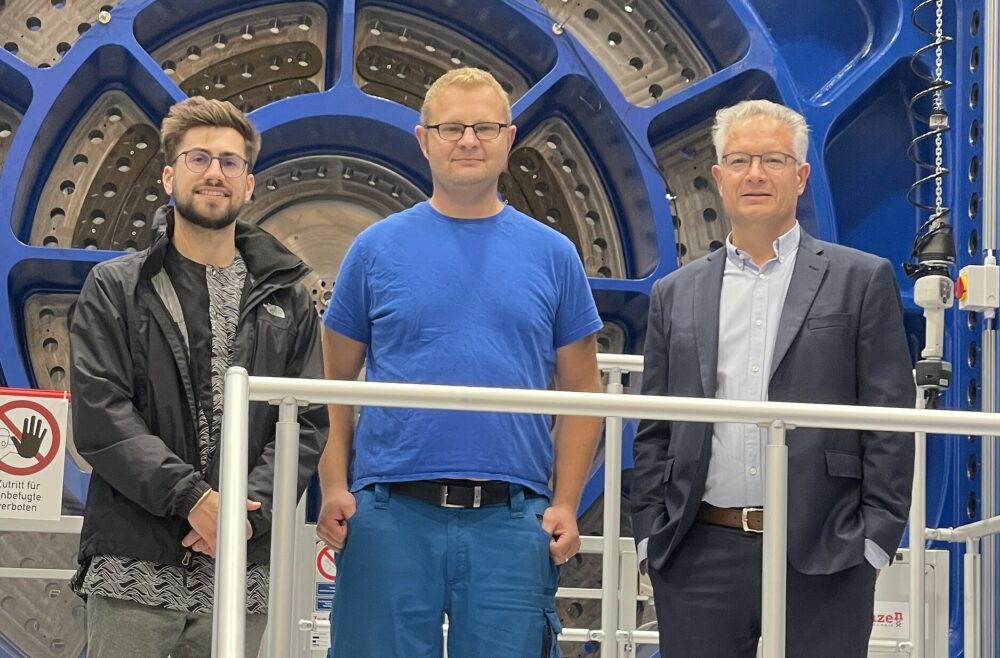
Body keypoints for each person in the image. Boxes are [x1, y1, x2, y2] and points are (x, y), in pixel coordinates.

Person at [316, 67, 604, 658]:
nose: (468, 140)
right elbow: (335, 384)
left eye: (483, 127)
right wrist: (335, 484)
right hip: (389, 518)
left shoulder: (555, 256)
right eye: (451, 128)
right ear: (423, 139)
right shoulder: (374, 250)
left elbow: (583, 396)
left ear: (509, 138)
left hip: (512, 524)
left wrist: (567, 503)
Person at [631, 99, 915, 657]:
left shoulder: (860, 281)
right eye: (739, 161)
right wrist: (650, 537)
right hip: (698, 551)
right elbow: (654, 429)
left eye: (774, 160)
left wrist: (875, 541)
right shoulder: (675, 294)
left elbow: (890, 422)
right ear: (718, 178)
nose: (755, 174)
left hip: (826, 549)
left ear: (801, 176)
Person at [69, 96, 328, 657]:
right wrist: (193, 499)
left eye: (231, 161)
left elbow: (305, 423)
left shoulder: (290, 300)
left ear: (250, 184)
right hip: (133, 565)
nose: (215, 172)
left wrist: (241, 515)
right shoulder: (116, 288)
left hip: (240, 567)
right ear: (169, 175)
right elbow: (100, 416)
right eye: (198, 158)